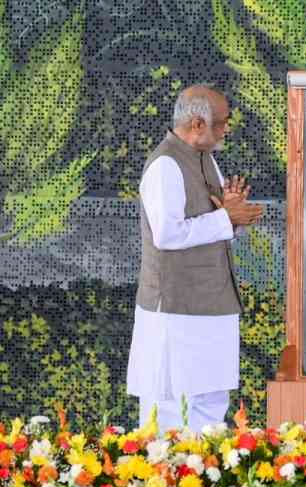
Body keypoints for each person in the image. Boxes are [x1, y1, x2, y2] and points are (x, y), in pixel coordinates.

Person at [127, 84, 264, 432]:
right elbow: (167, 234)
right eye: (222, 122)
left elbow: (214, 225)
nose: (226, 129)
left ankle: (206, 481)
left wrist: (232, 217)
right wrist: (226, 218)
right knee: (169, 407)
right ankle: (167, 485)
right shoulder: (165, 166)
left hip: (213, 304)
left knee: (210, 402)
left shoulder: (207, 160)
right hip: (175, 310)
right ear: (198, 124)